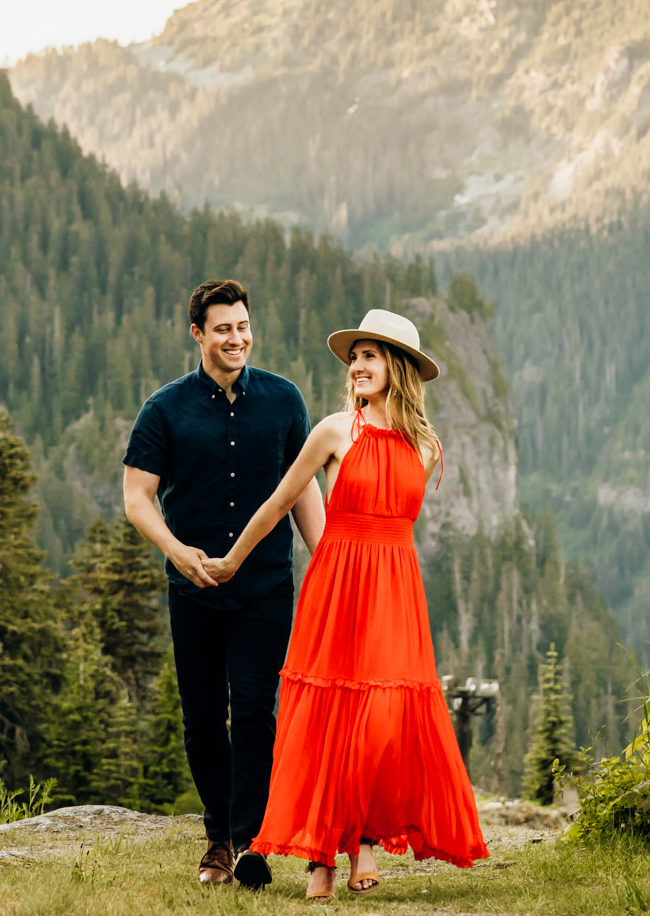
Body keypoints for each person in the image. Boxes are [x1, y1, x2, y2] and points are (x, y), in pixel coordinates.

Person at [209, 307, 488, 900]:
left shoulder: (428, 446)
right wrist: (232, 559)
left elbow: (399, 522)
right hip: (338, 580)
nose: (357, 367)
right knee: (328, 714)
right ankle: (321, 861)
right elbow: (280, 501)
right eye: (354, 357)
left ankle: (361, 841)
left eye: (370, 356)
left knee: (381, 720)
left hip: (395, 586)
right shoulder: (335, 431)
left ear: (400, 368)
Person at [122, 279, 324, 890]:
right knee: (203, 716)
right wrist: (177, 551)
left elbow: (304, 492)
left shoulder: (285, 402)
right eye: (223, 329)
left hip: (266, 585)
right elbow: (137, 498)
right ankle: (217, 835)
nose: (236, 339)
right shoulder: (164, 409)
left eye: (242, 327)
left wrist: (329, 559)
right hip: (194, 586)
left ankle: (248, 842)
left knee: (257, 712)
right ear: (197, 335)